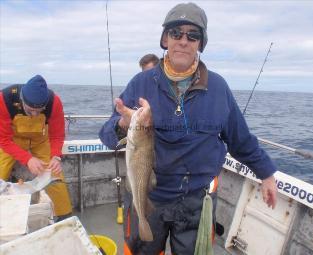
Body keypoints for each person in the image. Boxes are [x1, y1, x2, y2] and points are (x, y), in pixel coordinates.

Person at [99, 3, 277, 254]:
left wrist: (266, 173)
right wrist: (123, 124)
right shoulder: (140, 84)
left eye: (192, 35)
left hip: (197, 201)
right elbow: (106, 135)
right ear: (165, 39)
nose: (184, 40)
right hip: (150, 197)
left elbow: (241, 140)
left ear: (200, 44)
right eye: (176, 33)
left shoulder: (218, 88)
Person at [0, 75, 73, 221]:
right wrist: (27, 159)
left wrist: (56, 156)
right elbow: (3, 139)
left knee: (54, 175)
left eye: (39, 111)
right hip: (12, 140)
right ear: (22, 100)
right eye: (30, 110)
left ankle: (64, 217)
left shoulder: (54, 102)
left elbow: (57, 136)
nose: (34, 114)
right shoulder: (4, 99)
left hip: (40, 140)